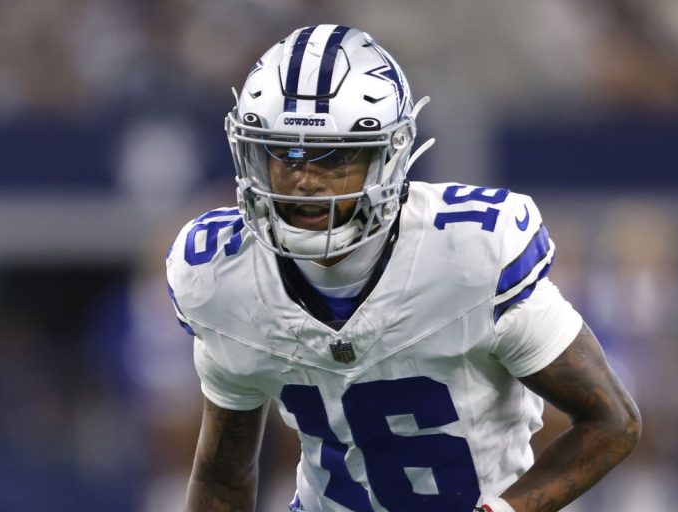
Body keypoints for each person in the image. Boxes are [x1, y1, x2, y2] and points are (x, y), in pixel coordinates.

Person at [166, 24, 641, 512]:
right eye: (283, 152)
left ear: (388, 157)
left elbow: (610, 419)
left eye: (335, 156)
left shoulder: (470, 254)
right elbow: (223, 478)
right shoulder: (223, 278)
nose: (304, 179)